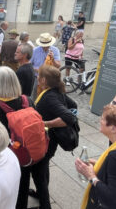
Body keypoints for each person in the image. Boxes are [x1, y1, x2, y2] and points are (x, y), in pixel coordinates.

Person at [31, 65, 78, 209]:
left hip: (47, 142)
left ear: (44, 80)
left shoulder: (50, 97)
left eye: (39, 76)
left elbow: (69, 117)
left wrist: (46, 123)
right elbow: (74, 105)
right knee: (43, 169)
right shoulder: (56, 91)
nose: (37, 78)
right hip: (50, 141)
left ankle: (45, 205)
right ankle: (40, 194)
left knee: (38, 174)